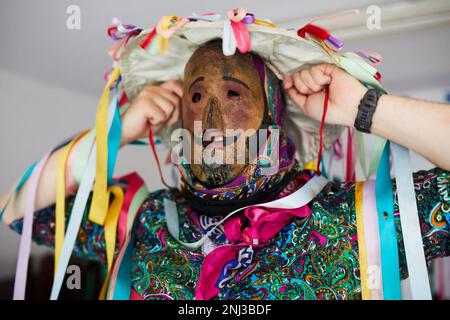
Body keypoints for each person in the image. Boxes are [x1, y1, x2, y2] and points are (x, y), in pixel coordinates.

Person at [1, 39, 449, 300]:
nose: (212, 122)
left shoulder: (353, 219)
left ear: (273, 111)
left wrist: (366, 108)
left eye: (234, 94)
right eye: (197, 98)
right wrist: (116, 132)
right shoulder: (142, 220)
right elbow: (17, 210)